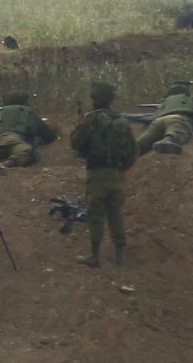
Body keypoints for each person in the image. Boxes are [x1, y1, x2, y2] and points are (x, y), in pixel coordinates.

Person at [69, 81, 136, 268]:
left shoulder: (90, 119)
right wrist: (122, 168)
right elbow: (133, 150)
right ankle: (119, 257)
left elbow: (76, 144)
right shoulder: (120, 121)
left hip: (96, 173)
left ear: (95, 98)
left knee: (96, 213)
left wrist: (77, 124)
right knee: (115, 213)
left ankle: (94, 256)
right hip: (115, 173)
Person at [135, 80, 193, 155]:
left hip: (157, 122)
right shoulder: (189, 100)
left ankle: (129, 151)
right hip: (178, 120)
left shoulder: (164, 103)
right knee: (176, 133)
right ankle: (167, 140)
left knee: (141, 144)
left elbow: (149, 118)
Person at [0, 90, 58, 167]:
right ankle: (7, 163)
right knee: (29, 153)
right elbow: (47, 134)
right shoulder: (27, 113)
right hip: (16, 141)